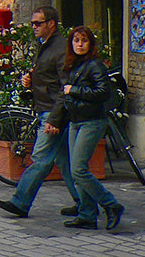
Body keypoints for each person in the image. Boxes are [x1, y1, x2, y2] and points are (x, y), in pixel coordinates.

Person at [0, 6, 79, 219]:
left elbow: (64, 85)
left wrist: (55, 118)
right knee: (66, 162)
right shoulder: (46, 45)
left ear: (51, 23)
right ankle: (85, 204)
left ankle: (20, 202)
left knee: (41, 158)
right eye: (32, 23)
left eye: (37, 23)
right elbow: (49, 78)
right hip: (47, 108)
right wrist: (31, 80)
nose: (33, 27)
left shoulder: (59, 47)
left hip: (52, 113)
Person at [49, 27, 124, 230]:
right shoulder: (74, 64)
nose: (79, 44)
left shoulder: (94, 65)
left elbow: (103, 92)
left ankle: (111, 204)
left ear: (90, 44)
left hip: (91, 121)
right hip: (76, 121)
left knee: (80, 169)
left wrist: (75, 89)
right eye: (76, 41)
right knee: (76, 171)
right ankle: (87, 214)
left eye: (84, 41)